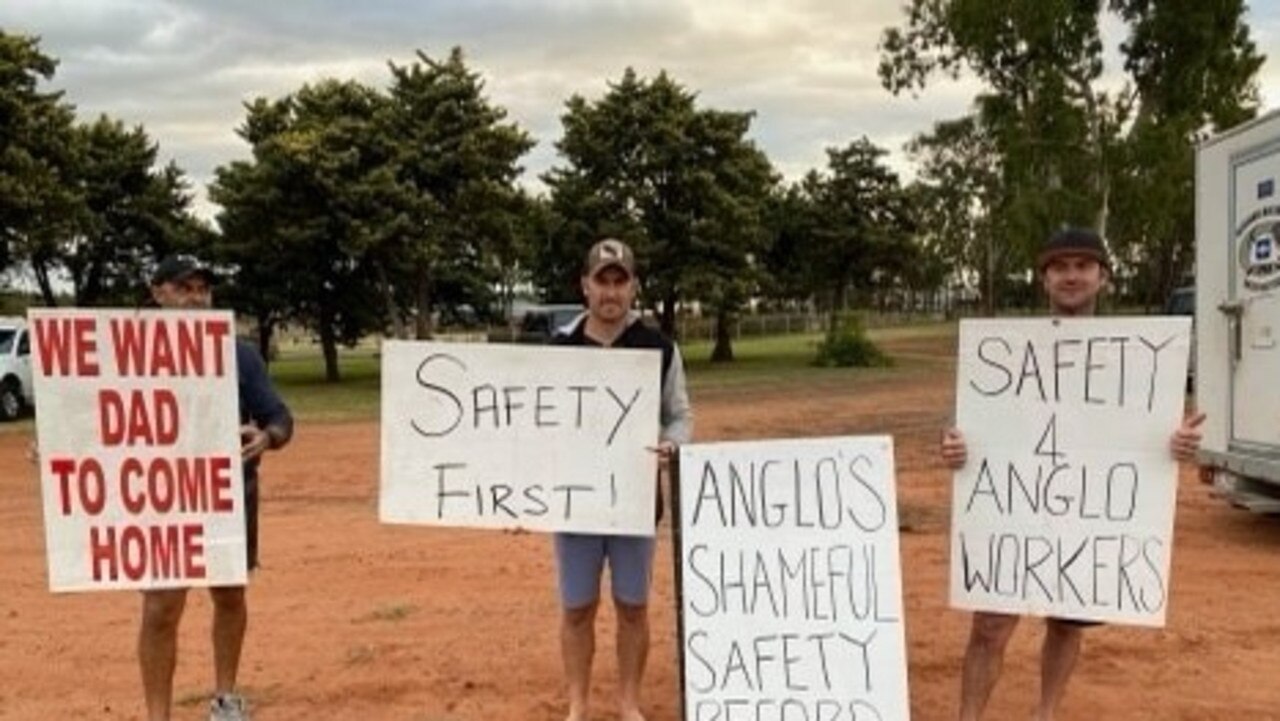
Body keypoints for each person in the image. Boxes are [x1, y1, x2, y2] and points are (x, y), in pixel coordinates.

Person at [940, 228, 1205, 721]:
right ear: (1043, 279)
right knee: (990, 628)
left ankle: (1045, 713)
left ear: (1103, 277)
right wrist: (953, 444)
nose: (1071, 275)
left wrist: (1178, 444)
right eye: (1059, 266)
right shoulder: (1008, 350)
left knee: (1067, 625)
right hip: (1015, 510)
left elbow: (1149, 436)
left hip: (1088, 518)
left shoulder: (1140, 354)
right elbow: (972, 427)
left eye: (1083, 265)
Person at [141, 255, 294, 721]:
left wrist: (267, 436)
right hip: (159, 498)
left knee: (229, 594)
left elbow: (281, 419)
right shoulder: (124, 354)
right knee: (161, 606)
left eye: (203, 289)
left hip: (227, 498)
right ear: (158, 293)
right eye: (184, 288)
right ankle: (157, 714)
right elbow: (89, 420)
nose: (196, 298)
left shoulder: (239, 355)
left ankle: (225, 699)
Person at [551, 238, 692, 721]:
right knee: (577, 609)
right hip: (575, 506)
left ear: (633, 287)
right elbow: (533, 433)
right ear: (585, 286)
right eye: (601, 280)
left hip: (635, 502)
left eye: (620, 281)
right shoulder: (559, 349)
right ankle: (578, 704)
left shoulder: (659, 348)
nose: (611, 291)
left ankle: (629, 702)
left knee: (633, 607)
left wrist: (674, 445)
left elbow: (679, 416)